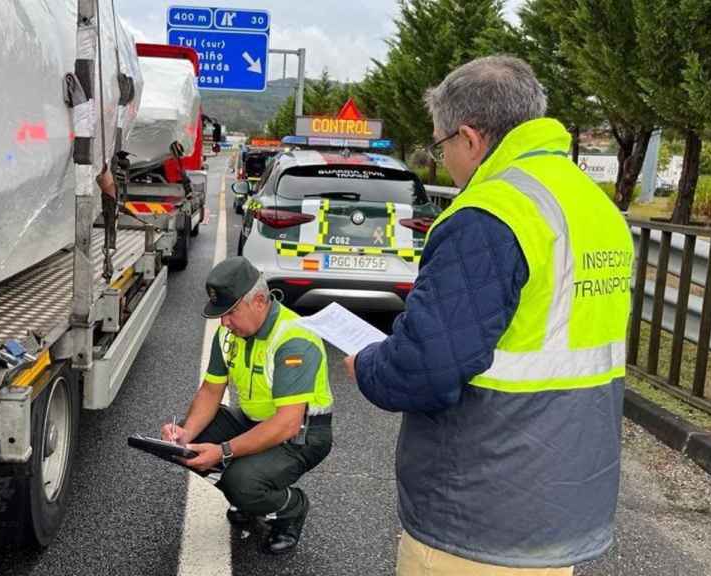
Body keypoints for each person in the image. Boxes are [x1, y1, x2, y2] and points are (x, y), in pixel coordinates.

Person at [345, 56, 634, 574]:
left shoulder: (491, 213)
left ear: (470, 138)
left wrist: (367, 365)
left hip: (476, 513)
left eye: (441, 144)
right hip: (562, 508)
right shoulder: (591, 205)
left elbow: (423, 370)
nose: (446, 158)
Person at [162, 257, 333, 554]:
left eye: (230, 312)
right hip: (257, 421)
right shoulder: (229, 333)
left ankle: (290, 508)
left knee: (241, 482)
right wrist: (185, 434)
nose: (224, 322)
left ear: (258, 301)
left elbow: (287, 423)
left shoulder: (294, 339)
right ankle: (249, 497)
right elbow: (210, 391)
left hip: (302, 434)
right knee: (191, 445)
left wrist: (224, 451)